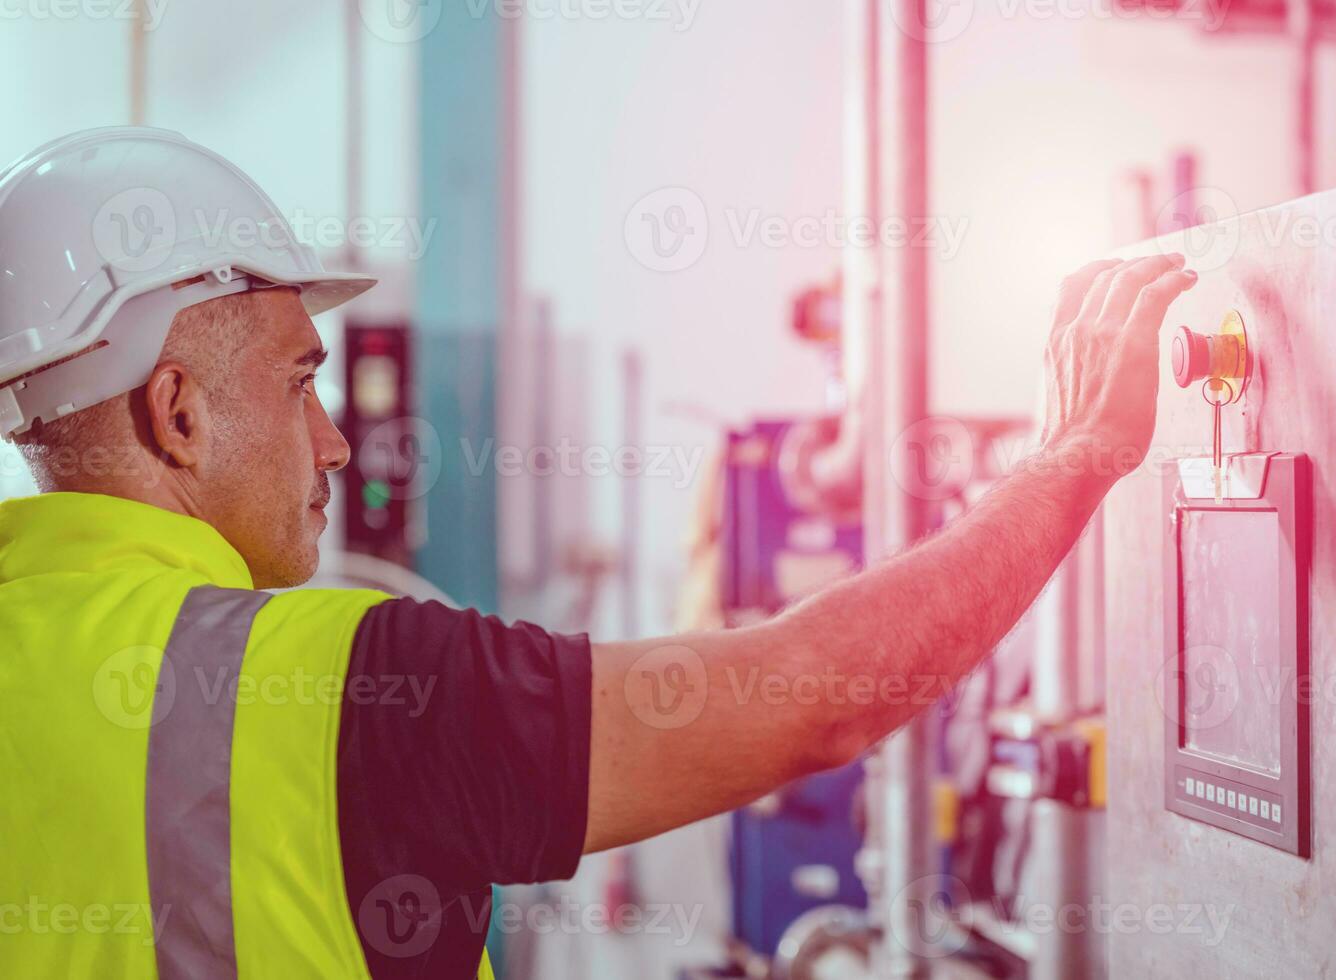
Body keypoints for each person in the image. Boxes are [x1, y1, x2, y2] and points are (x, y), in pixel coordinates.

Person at [0, 128, 1195, 979]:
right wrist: (1078, 451)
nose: (333, 438)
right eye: (300, 378)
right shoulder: (339, 682)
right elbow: (809, 700)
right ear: (178, 412)